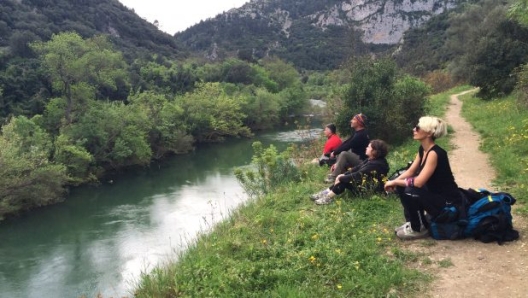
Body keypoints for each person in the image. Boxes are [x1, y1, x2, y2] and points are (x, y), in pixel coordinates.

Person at [384, 116, 462, 240]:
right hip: (435, 195)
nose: (414, 129)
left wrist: (395, 181)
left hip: (448, 202)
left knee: (411, 190)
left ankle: (419, 228)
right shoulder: (423, 149)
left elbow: (419, 182)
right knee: (402, 185)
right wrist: (392, 182)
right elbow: (410, 171)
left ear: (429, 133)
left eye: (418, 127)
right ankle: (412, 222)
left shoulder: (434, 153)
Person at [310, 139, 389, 205]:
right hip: (366, 184)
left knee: (346, 180)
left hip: (371, 190)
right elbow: (357, 168)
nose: (366, 148)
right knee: (344, 177)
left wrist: (341, 178)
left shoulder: (376, 164)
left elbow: (358, 174)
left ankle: (328, 197)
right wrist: (343, 174)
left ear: (374, 151)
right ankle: (326, 193)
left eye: (368, 147)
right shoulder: (372, 159)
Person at [325, 113, 370, 183]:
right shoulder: (358, 133)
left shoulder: (360, 135)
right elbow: (346, 142)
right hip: (358, 158)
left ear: (359, 122)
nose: (351, 121)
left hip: (362, 161)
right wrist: (335, 153)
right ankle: (340, 173)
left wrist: (334, 153)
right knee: (342, 155)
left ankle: (333, 177)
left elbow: (347, 146)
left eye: (354, 119)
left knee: (344, 154)